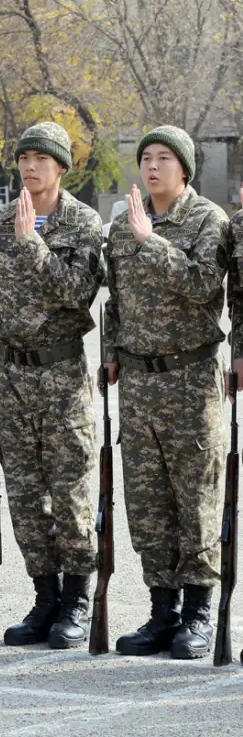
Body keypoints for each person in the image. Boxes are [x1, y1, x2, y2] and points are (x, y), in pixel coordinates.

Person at [104, 126, 229, 659]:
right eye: (146, 158)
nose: (152, 167)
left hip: (189, 381)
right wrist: (110, 351)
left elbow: (205, 287)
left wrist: (150, 241)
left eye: (164, 158)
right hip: (137, 383)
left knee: (195, 497)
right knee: (148, 501)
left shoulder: (207, 220)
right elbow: (115, 300)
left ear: (185, 167)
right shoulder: (123, 224)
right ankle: (162, 610)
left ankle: (198, 612)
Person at [0, 122, 102, 649]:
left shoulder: (83, 222)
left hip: (62, 374)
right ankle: (44, 596)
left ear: (61, 167)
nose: (29, 167)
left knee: (69, 492)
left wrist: (32, 245)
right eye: (24, 159)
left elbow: (78, 292)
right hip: (15, 376)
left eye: (41, 159)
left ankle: (77, 599)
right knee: (26, 495)